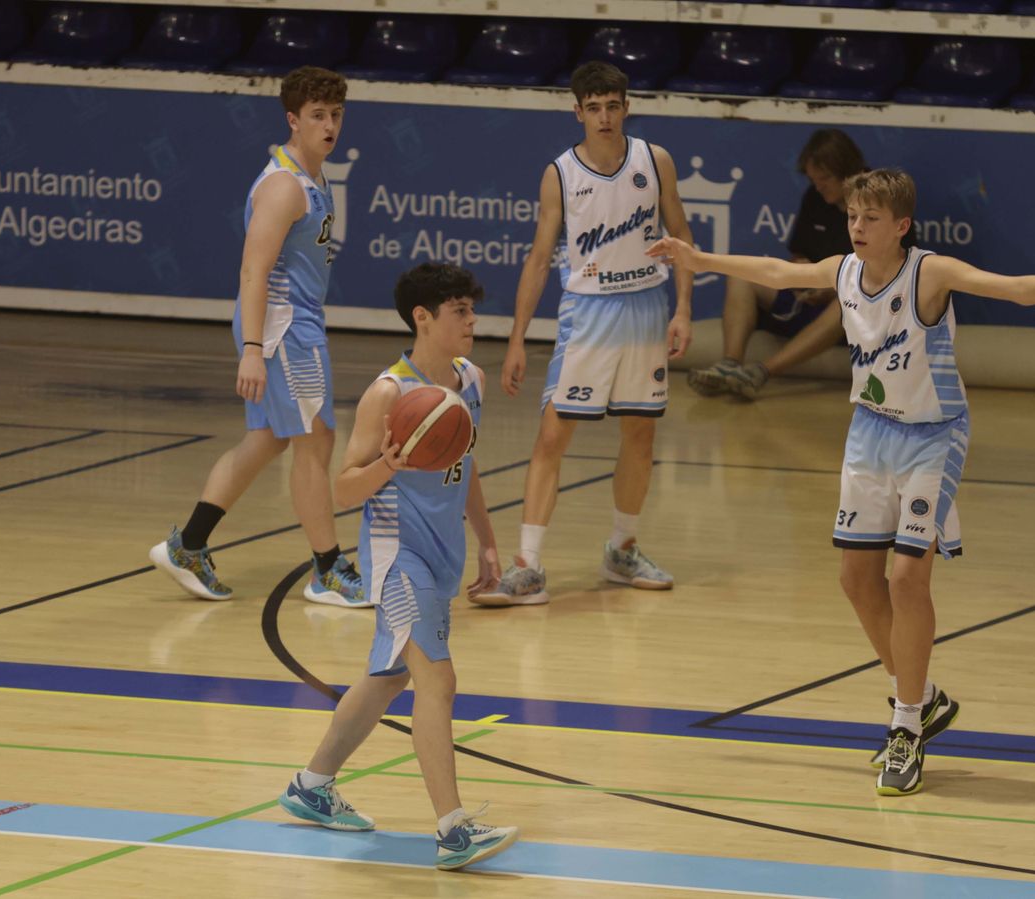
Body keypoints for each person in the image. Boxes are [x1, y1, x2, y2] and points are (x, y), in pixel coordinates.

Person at [648, 169, 1035, 796]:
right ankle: (922, 697)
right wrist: (698, 258)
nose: (857, 228)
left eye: (870, 218)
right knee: (854, 579)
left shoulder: (929, 273)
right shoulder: (843, 271)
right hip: (870, 432)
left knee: (906, 578)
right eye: (852, 217)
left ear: (901, 226)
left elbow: (1012, 289)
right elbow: (775, 272)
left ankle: (905, 726)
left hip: (933, 436)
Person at [276, 262, 517, 871]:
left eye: (472, 309)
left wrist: (488, 542)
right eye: (460, 311)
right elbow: (343, 489)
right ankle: (453, 830)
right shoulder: (389, 393)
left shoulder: (471, 380)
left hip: (443, 554)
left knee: (388, 677)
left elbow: (466, 466)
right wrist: (389, 464)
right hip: (397, 557)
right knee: (438, 681)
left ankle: (311, 785)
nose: (472, 321)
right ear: (423, 318)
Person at [472, 60, 696, 607]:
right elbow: (539, 258)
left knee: (640, 435)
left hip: (646, 307)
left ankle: (622, 549)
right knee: (553, 436)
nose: (604, 117)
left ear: (626, 107)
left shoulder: (655, 160)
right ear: (577, 112)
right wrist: (518, 339)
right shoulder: (560, 173)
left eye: (612, 106)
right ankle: (528, 566)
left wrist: (684, 309)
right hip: (588, 313)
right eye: (593, 108)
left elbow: (682, 236)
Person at [148, 66, 364, 609]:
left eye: (336, 115)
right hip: (283, 326)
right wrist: (251, 350)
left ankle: (188, 546)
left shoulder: (315, 176)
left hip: (293, 322)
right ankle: (328, 570)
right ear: (293, 120)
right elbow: (253, 271)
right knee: (316, 441)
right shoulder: (284, 186)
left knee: (267, 439)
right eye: (317, 115)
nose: (329, 125)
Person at [687, 128, 863, 400]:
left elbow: (884, 277)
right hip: (808, 298)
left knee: (851, 299)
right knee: (742, 276)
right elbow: (797, 255)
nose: (819, 186)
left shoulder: (877, 199)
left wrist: (831, 290)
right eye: (813, 179)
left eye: (825, 178)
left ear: (848, 171)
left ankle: (759, 373)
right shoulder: (814, 198)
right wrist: (802, 273)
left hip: (850, 314)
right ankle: (729, 365)